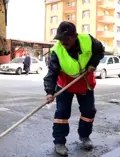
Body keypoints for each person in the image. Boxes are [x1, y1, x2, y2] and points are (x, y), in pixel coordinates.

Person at [43, 21, 105, 156]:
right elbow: (52, 73)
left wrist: (93, 63)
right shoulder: (57, 51)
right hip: (65, 84)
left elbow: (100, 51)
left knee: (89, 111)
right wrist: (49, 92)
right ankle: (59, 142)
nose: (62, 43)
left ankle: (84, 136)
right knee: (62, 113)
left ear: (74, 36)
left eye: (65, 39)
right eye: (60, 39)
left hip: (84, 81)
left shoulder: (88, 40)